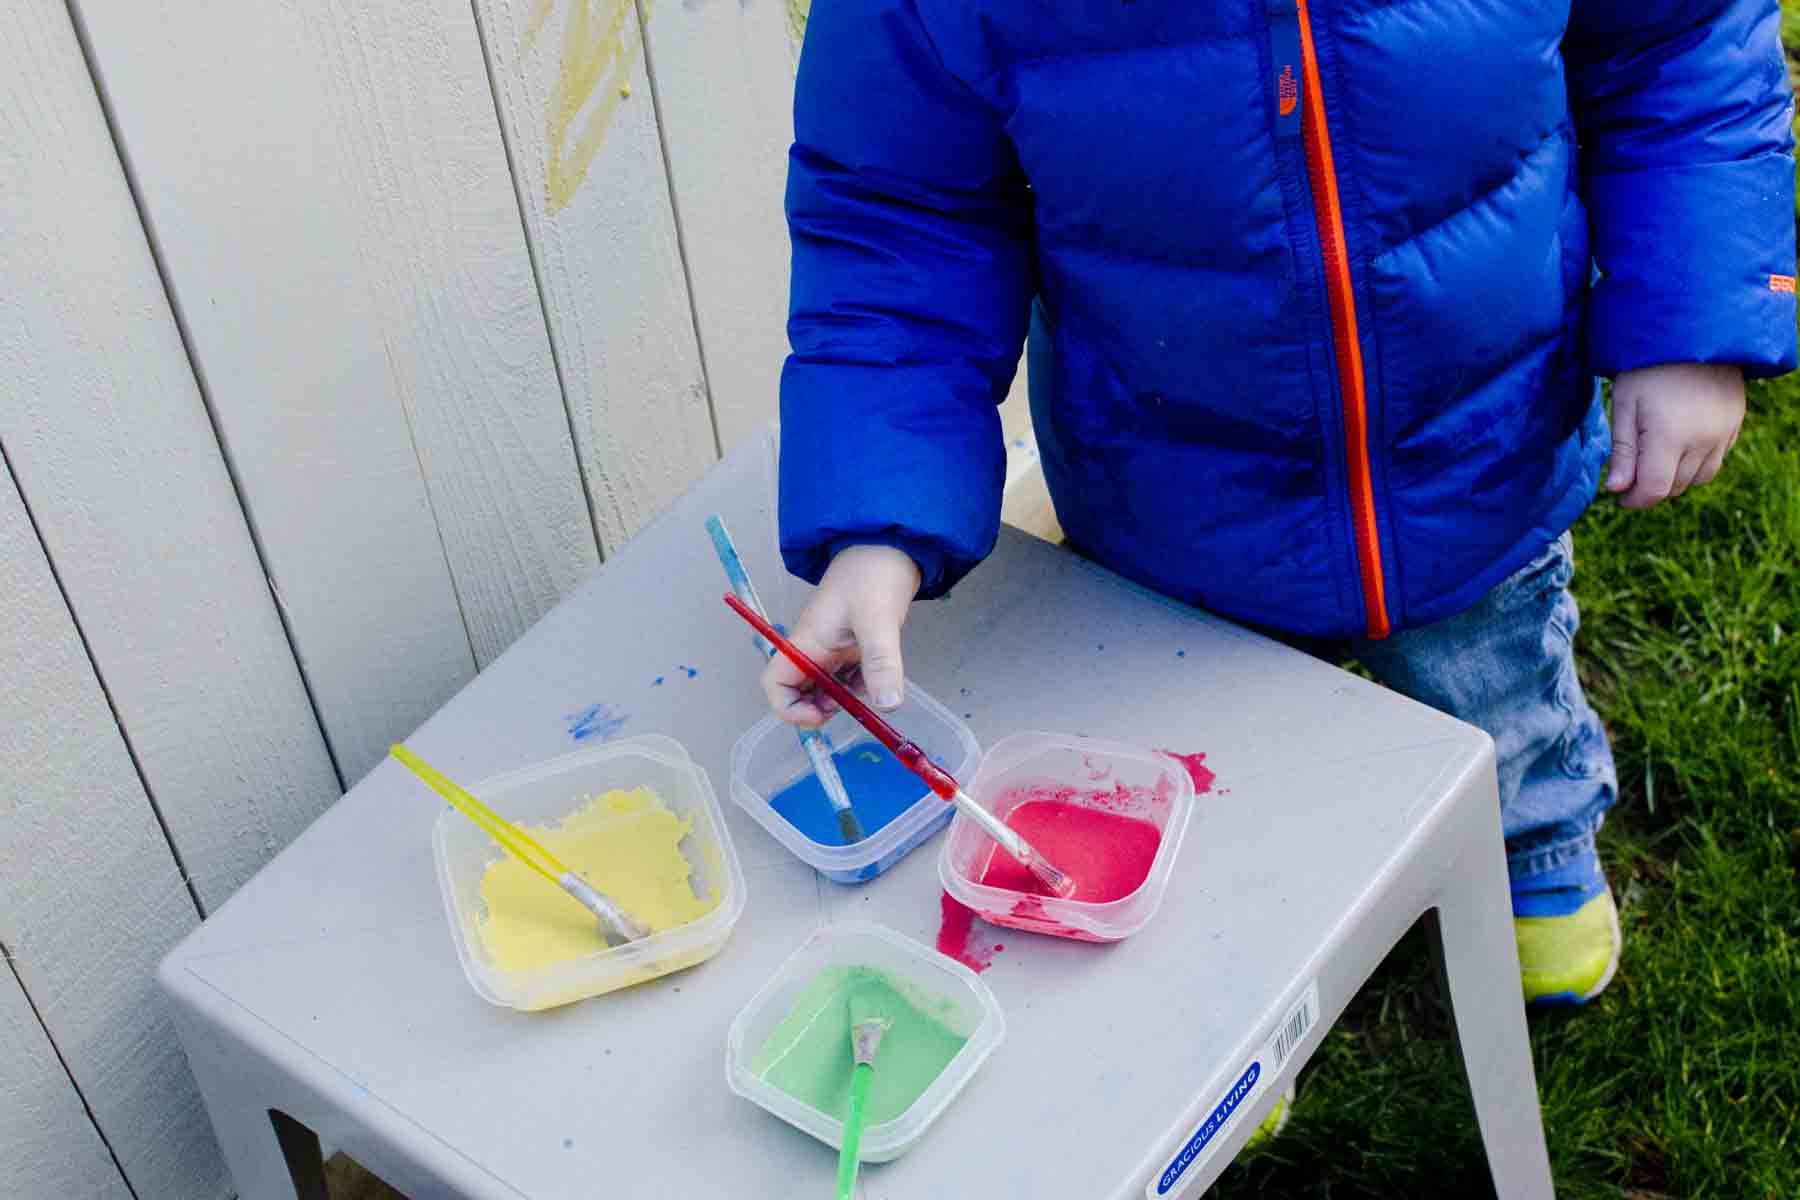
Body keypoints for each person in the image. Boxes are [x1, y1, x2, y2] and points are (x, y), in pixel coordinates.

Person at [761, 0, 1798, 1012]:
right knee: (1211, 756)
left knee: (1499, 687)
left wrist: (1694, 318)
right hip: (1176, 490)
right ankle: (1241, 979)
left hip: (1474, 447)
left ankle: (1531, 844)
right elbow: (899, 221)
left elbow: (1678, 44)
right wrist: (878, 517)